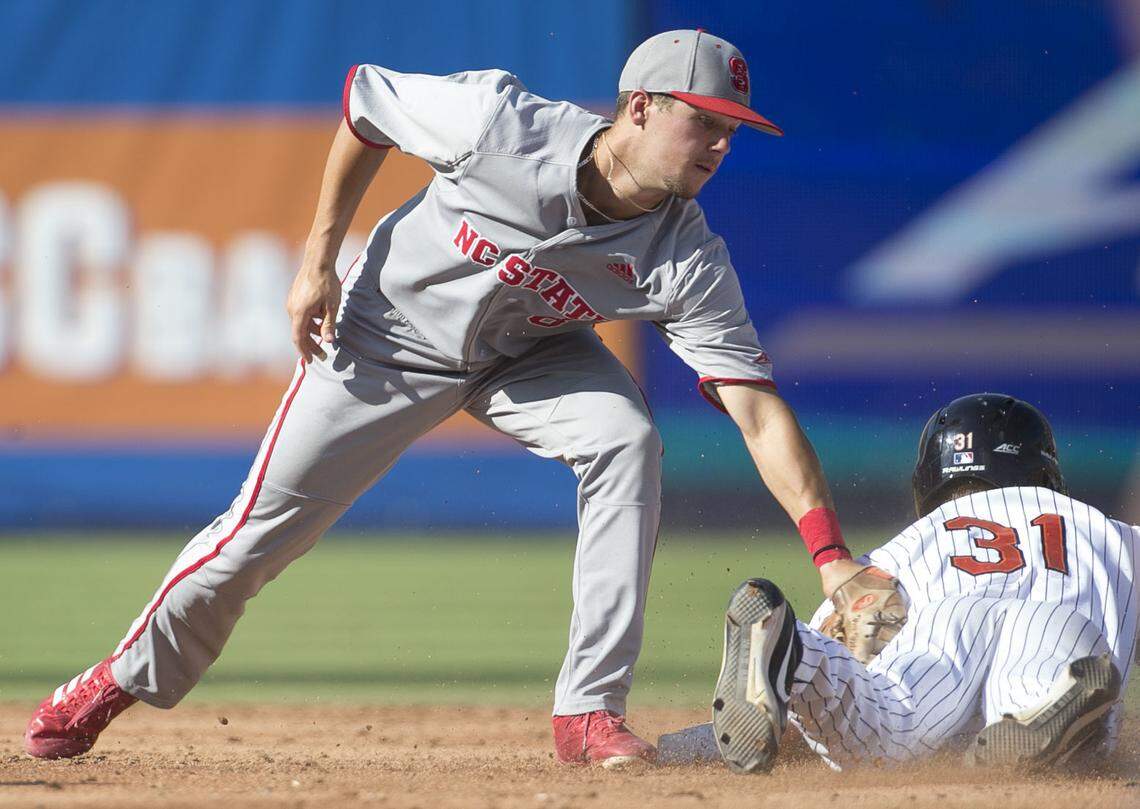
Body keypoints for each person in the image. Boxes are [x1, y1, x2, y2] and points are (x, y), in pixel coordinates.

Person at [24, 29, 871, 768]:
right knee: (259, 534)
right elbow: (365, 102)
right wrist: (318, 257)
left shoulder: (686, 256)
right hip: (386, 337)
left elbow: (756, 409)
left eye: (730, 132)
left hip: (530, 353)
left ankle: (589, 711)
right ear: (640, 107)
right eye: (703, 122)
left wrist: (831, 555)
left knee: (626, 438)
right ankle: (117, 677)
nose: (719, 146)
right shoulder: (502, 125)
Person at [711, 393, 1137, 773]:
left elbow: (846, 638)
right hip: (1060, 627)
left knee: (886, 723)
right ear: (1042, 471)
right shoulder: (1108, 532)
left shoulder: (910, 544)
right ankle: (1047, 701)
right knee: (1043, 690)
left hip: (947, 620)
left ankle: (796, 651)